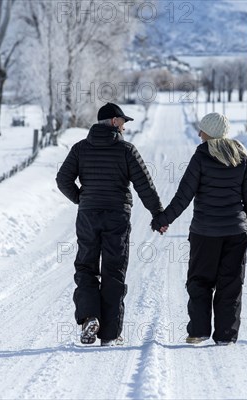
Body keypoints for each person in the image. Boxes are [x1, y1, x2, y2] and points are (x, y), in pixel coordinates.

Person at [56, 102, 163, 346]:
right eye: (123, 121)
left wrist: (81, 198)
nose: (125, 126)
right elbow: (144, 185)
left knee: (86, 267)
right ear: (114, 122)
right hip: (117, 215)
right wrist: (158, 214)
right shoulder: (126, 150)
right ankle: (110, 334)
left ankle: (90, 317)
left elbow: (63, 179)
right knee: (113, 271)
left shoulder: (80, 148)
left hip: (88, 216)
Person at [151, 112, 247, 346]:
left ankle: (199, 331)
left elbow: (184, 195)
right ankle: (226, 336)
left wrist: (163, 219)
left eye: (202, 130)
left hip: (205, 233)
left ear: (210, 132)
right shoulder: (241, 155)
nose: (199, 134)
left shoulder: (202, 155)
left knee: (199, 282)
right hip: (236, 233)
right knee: (230, 284)